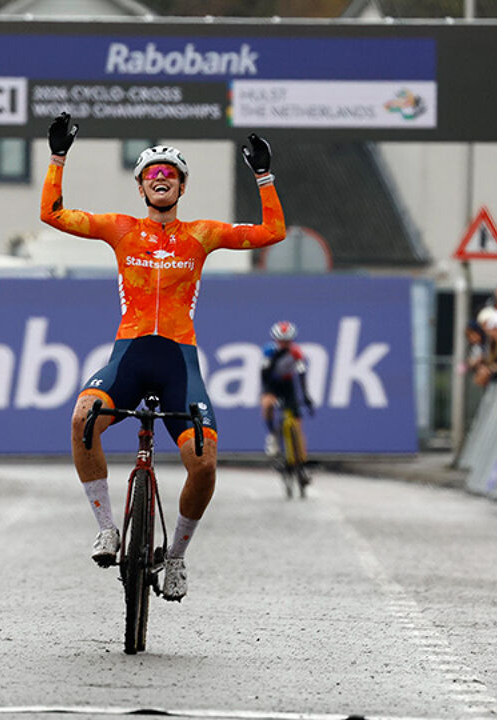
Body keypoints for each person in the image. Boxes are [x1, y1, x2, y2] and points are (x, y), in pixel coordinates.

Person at [41, 112, 284, 601]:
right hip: (128, 357)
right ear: (140, 188)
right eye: (152, 176)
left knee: (206, 462)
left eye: (169, 176)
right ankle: (108, 528)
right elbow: (53, 214)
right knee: (82, 419)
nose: (160, 181)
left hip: (179, 362)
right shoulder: (120, 229)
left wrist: (264, 177)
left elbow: (272, 232)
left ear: (182, 187)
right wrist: (57, 158)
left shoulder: (201, 235)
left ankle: (175, 559)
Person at [260, 321, 314, 461]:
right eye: (281, 341)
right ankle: (272, 435)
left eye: (287, 341)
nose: (284, 344)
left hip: (287, 385)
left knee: (297, 420)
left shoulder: (296, 352)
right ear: (276, 340)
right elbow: (264, 375)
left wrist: (306, 395)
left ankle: (302, 459)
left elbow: (302, 374)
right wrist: (268, 393)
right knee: (267, 404)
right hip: (272, 384)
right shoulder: (269, 351)